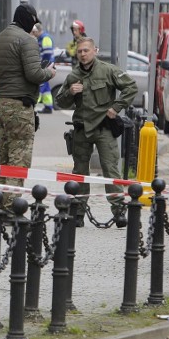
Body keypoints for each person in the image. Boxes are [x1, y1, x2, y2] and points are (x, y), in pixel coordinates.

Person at [55, 37, 137, 225]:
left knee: (110, 169)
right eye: (80, 51)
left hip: (103, 129)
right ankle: (78, 213)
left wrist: (116, 108)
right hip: (82, 130)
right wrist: (70, 92)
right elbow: (60, 102)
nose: (83, 54)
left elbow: (130, 86)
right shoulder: (73, 76)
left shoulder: (107, 70)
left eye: (86, 50)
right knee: (80, 172)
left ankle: (118, 212)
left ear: (95, 51)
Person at [0, 4, 57, 197]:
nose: (33, 27)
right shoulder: (27, 40)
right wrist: (49, 72)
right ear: (27, 19)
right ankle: (11, 208)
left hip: (0, 103)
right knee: (18, 159)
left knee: (3, 158)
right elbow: (34, 74)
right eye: (33, 22)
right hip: (19, 105)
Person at [32, 21, 55, 113]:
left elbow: (47, 53)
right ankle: (48, 107)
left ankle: (33, 104)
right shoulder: (42, 38)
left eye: (34, 32)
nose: (33, 34)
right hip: (47, 65)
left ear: (38, 31)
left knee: (40, 85)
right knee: (46, 87)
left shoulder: (45, 38)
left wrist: (43, 65)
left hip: (46, 65)